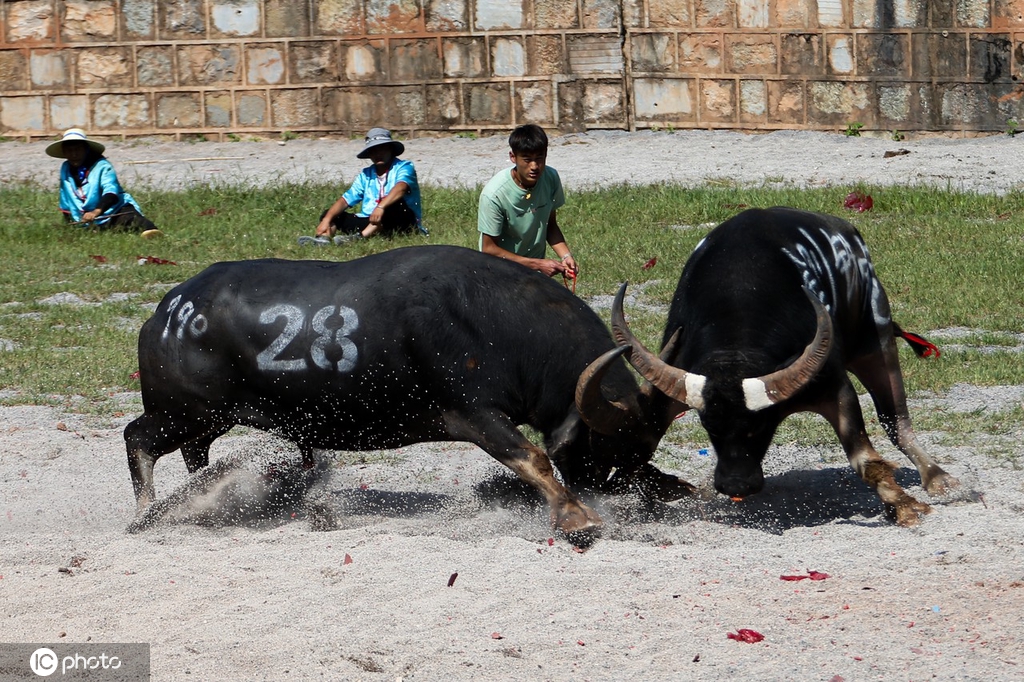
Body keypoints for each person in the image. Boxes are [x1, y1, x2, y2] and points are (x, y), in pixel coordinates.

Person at [477, 124, 578, 278]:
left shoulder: (550, 178)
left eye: (539, 158)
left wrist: (566, 256)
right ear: (513, 157)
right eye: (527, 159)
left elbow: (550, 225)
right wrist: (537, 264)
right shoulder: (494, 195)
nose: (534, 166)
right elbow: (489, 249)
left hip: (533, 273)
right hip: (499, 273)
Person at [302, 127, 424, 246]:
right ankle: (324, 239)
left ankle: (360, 237)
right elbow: (345, 200)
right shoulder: (366, 174)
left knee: (395, 204)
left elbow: (401, 188)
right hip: (371, 219)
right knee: (331, 213)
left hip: (401, 220)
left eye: (382, 149)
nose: (378, 154)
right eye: (373, 150)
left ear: (391, 149)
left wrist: (381, 207)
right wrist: (327, 220)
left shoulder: (404, 167)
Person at [46, 128, 160, 235]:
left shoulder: (102, 166)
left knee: (133, 221)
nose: (74, 154)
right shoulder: (65, 168)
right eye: (69, 151)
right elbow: (66, 199)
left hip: (113, 210)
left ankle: (152, 232)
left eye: (78, 149)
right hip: (86, 219)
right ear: (64, 152)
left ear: (86, 149)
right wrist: (70, 224)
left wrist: (95, 212)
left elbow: (111, 192)